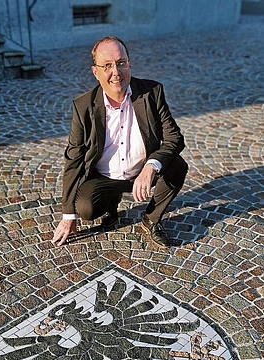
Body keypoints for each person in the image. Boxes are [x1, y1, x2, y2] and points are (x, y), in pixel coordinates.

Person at [52, 36, 187, 248]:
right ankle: (110, 207)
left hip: (141, 172)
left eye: (121, 63)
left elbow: (174, 138)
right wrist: (68, 215)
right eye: (107, 65)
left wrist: (151, 165)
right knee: (86, 208)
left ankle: (151, 218)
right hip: (105, 176)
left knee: (177, 166)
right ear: (95, 72)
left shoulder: (152, 92)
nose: (116, 72)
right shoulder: (83, 106)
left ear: (129, 64)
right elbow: (74, 159)